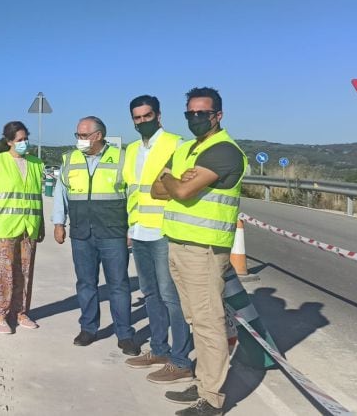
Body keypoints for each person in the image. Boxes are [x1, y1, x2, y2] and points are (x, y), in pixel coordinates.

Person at [151, 87, 247, 416]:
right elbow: (156, 188)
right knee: (195, 319)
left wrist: (174, 181)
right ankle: (204, 381)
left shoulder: (224, 150)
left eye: (201, 113)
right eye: (190, 113)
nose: (195, 118)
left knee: (207, 322)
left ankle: (212, 399)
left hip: (204, 248)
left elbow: (181, 189)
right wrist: (172, 179)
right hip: (179, 242)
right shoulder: (189, 148)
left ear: (217, 115)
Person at [122, 95, 194, 383]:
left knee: (171, 297)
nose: (142, 122)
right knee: (150, 295)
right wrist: (129, 228)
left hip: (164, 231)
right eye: (137, 118)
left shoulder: (176, 144)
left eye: (147, 116)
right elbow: (131, 190)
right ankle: (159, 349)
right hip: (139, 230)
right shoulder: (131, 150)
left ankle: (180, 361)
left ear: (158, 116)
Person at [52, 116, 139, 356]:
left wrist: (132, 229)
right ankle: (88, 328)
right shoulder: (70, 160)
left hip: (113, 232)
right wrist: (59, 222)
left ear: (98, 135)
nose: (79, 140)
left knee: (119, 285)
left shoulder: (121, 158)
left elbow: (133, 195)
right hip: (81, 232)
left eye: (83, 135)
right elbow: (61, 192)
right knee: (86, 283)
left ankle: (125, 335)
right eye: (77, 135)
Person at [0, 121, 45, 334]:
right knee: (0, 274)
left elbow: (37, 198)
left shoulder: (35, 163)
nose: (24, 143)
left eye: (26, 139)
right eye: (19, 140)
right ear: (9, 142)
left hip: (27, 228)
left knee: (24, 273)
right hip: (1, 228)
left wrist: (39, 224)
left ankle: (21, 312)